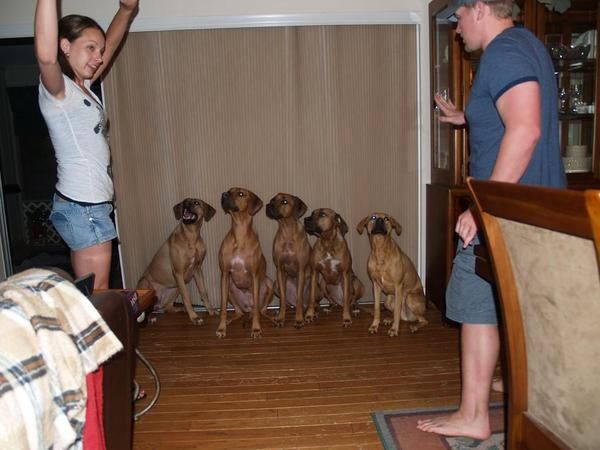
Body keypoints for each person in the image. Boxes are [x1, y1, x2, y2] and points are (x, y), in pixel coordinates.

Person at [417, 0, 566, 440]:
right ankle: (507, 390)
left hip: (508, 213)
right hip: (530, 210)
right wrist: (465, 116)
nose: (457, 28)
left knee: (475, 299)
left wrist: (483, 209)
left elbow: (526, 129)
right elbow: (511, 116)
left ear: (480, 7)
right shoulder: (525, 45)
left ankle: (473, 414)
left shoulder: (503, 51)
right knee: (500, 303)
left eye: (459, 16)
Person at [35, 0, 139, 289]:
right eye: (90, 48)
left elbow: (112, 44)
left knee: (90, 291)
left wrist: (126, 10)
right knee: (97, 293)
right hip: (84, 206)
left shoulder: (82, 88)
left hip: (88, 205)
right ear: (65, 46)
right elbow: (46, 57)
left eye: (100, 50)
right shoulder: (58, 91)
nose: (98, 56)